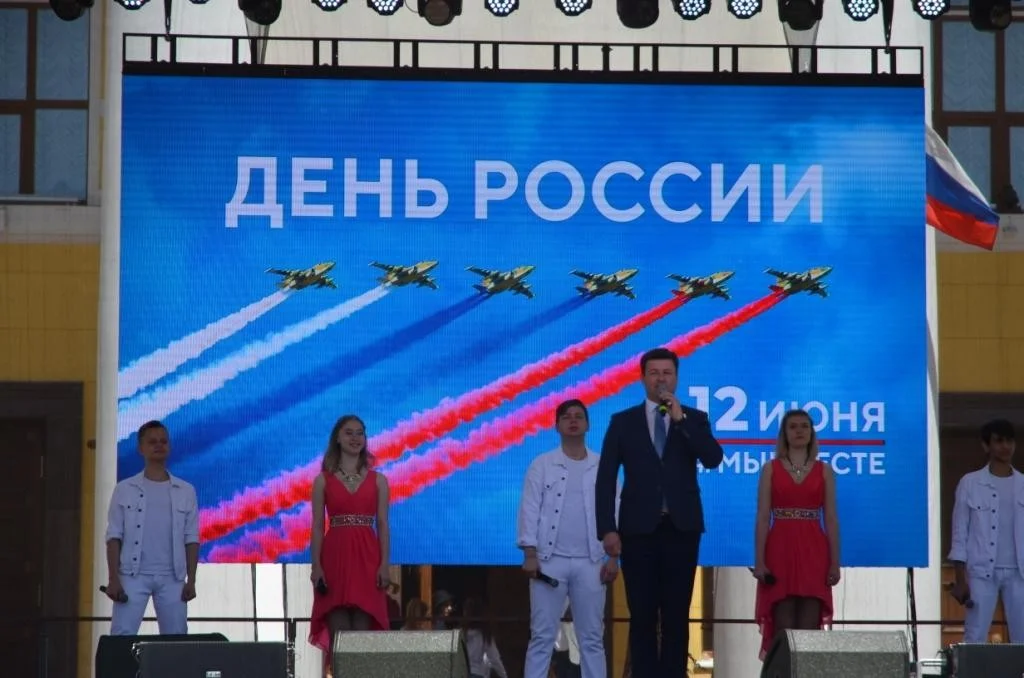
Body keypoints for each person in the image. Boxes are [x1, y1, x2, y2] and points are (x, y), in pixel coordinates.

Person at [595, 347, 724, 678]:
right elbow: (606, 478)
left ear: (676, 378)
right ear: (642, 379)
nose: (661, 379)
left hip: (682, 530)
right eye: (654, 373)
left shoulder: (694, 418)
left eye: (667, 373)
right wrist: (607, 528)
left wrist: (681, 421)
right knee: (642, 616)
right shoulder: (623, 422)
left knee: (676, 616)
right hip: (638, 531)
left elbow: (713, 458)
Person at [518, 399, 617, 678]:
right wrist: (529, 553)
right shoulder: (542, 465)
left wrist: (614, 558)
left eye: (578, 416)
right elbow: (529, 509)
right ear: (557, 426)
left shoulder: (602, 465)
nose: (573, 420)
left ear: (588, 425)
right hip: (549, 561)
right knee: (541, 636)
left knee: (592, 638)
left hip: (592, 561)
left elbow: (615, 511)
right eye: (566, 417)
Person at [752, 409, 840, 659]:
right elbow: (762, 517)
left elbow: (831, 519)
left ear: (812, 433)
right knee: (783, 624)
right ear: (784, 434)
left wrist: (835, 562)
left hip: (814, 549)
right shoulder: (770, 469)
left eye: (804, 426)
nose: (799, 431)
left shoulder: (825, 471)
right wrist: (759, 561)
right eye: (793, 426)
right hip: (780, 548)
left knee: (809, 625)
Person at [103, 420, 199, 635]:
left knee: (176, 637)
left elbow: (191, 538)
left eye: (163, 441)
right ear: (141, 448)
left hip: (173, 577)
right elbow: (114, 536)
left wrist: (191, 580)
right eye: (152, 442)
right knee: (122, 635)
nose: (158, 445)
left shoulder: (186, 490)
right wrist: (113, 579)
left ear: (169, 446)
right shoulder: (124, 489)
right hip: (132, 574)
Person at [308, 415, 391, 663]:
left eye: (359, 433)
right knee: (340, 639)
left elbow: (383, 524)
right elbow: (317, 526)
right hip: (335, 559)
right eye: (349, 432)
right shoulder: (322, 480)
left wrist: (384, 565)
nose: (355, 438)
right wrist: (316, 566)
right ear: (337, 438)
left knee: (361, 638)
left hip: (367, 559)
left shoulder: (379, 480)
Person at [949, 419, 1024, 643]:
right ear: (986, 445)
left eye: (1009, 441)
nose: (1005, 447)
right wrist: (960, 579)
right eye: (999, 441)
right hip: (981, 571)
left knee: (1022, 636)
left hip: (1019, 573)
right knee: (975, 634)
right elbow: (960, 532)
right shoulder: (970, 483)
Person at [462, 597, 508, 678]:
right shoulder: (484, 636)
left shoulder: (460, 634)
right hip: (477, 674)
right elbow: (495, 659)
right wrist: (504, 675)